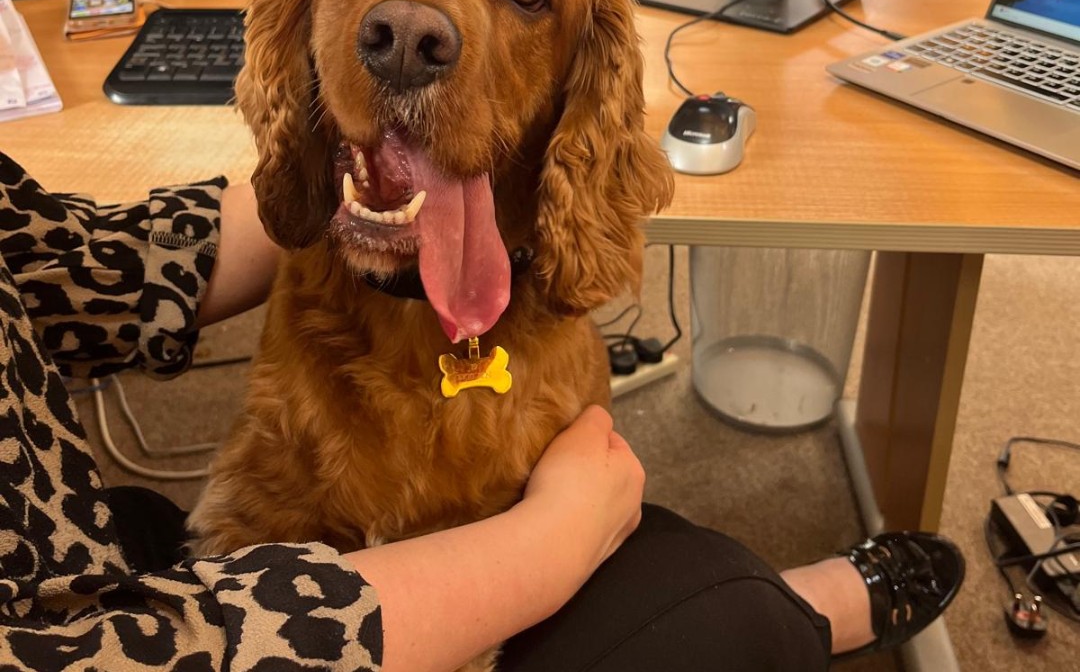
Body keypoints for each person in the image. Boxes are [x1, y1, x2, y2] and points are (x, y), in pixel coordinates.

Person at [0, 153, 963, 671]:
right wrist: (541, 550)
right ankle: (801, 615)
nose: (412, 27)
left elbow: (50, 263)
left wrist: (344, 177)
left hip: (64, 550)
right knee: (717, 605)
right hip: (131, 644)